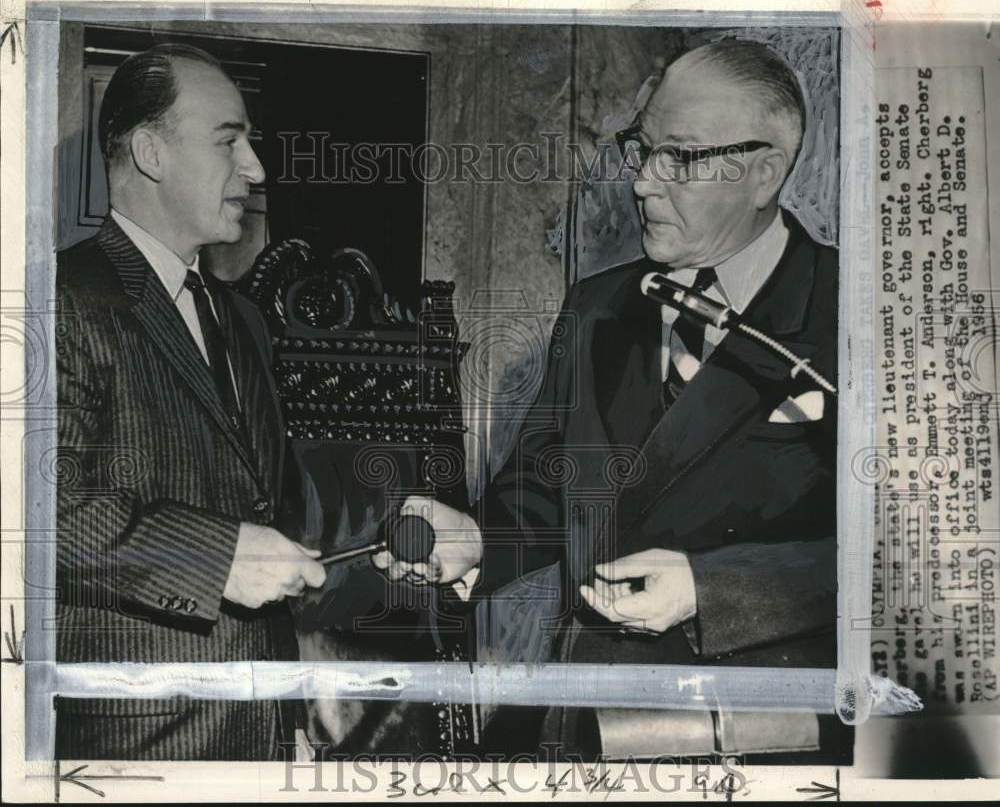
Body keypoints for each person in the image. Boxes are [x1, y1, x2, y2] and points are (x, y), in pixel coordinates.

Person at [375, 38, 845, 759]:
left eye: (680, 158)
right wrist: (476, 539)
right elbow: (546, 483)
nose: (643, 183)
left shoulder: (862, 314)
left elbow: (910, 555)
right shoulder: (598, 305)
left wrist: (711, 589)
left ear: (765, 173)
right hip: (589, 717)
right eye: (642, 149)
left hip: (761, 734)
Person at [55, 44, 326, 760]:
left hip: (262, 739)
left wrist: (289, 720)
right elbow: (38, 512)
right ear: (151, 153)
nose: (256, 169)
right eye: (228, 141)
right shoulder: (55, 300)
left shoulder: (244, 321)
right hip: (133, 749)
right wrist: (216, 555)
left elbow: (273, 514)